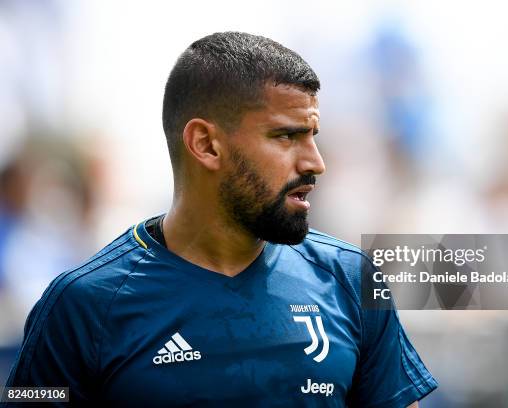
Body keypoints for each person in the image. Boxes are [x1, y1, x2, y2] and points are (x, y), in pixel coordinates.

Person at [2, 32, 438, 407]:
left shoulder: (352, 278)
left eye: (313, 136)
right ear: (206, 144)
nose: (315, 162)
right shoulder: (81, 306)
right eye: (286, 136)